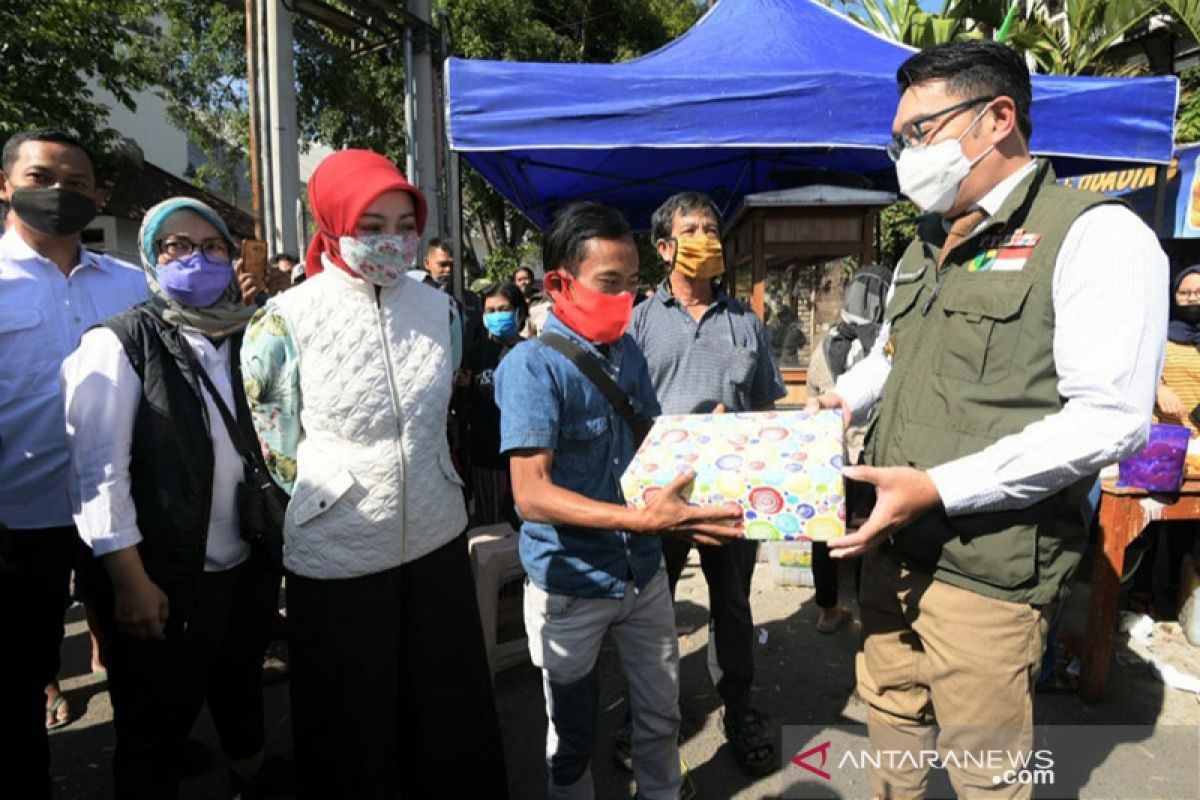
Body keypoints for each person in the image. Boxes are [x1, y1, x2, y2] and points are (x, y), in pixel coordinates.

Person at [807, 40, 1167, 798]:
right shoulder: (928, 242)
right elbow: (897, 355)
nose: (905, 154)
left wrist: (937, 486)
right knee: (891, 731)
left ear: (997, 117)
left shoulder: (1097, 236)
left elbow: (1110, 420)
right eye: (898, 139)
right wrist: (848, 396)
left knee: (985, 774)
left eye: (920, 132)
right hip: (892, 546)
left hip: (989, 576)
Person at [241, 149, 506, 798]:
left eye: (403, 224)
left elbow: (437, 411)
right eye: (371, 225)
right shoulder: (283, 319)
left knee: (447, 712)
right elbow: (278, 451)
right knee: (351, 727)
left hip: (436, 540)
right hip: (338, 552)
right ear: (332, 225)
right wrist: (341, 501)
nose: (392, 240)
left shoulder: (439, 309)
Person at [495, 201, 744, 800]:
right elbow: (531, 496)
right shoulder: (531, 368)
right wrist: (641, 518)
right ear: (559, 283)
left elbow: (646, 441)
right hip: (572, 581)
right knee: (572, 735)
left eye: (632, 285)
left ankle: (662, 791)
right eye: (609, 284)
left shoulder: (626, 353)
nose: (624, 300)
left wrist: (698, 432)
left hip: (641, 572)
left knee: (661, 714)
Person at [61, 197, 282, 799]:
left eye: (212, 247)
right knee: (156, 722)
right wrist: (129, 580)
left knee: (239, 685)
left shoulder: (246, 334)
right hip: (164, 573)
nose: (197, 259)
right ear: (151, 259)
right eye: (176, 246)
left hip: (244, 560)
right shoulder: (119, 343)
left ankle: (250, 777)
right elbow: (98, 473)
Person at [0, 128, 147, 799]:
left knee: (140, 657)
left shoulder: (131, 285)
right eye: (41, 177)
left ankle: (147, 772)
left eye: (79, 182)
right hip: (16, 520)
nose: (61, 192)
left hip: (118, 515)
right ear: (6, 184)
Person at [627, 190, 785, 777]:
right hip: (660, 495)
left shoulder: (747, 322)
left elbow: (767, 407)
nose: (706, 240)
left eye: (711, 229)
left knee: (734, 607)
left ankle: (738, 707)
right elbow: (625, 410)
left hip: (731, 497)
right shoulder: (641, 321)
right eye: (690, 230)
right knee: (649, 607)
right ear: (664, 247)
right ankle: (645, 714)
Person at [804, 263, 891, 634]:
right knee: (869, 535)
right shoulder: (888, 349)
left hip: (831, 458)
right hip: (874, 460)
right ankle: (870, 616)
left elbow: (812, 398)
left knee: (826, 532)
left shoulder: (826, 347)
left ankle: (826, 609)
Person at [463, 280, 528, 527]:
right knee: (494, 527)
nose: (496, 315)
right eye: (490, 311)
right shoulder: (475, 353)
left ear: (519, 312)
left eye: (503, 309)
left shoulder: (532, 351)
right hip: (487, 456)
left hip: (524, 457)